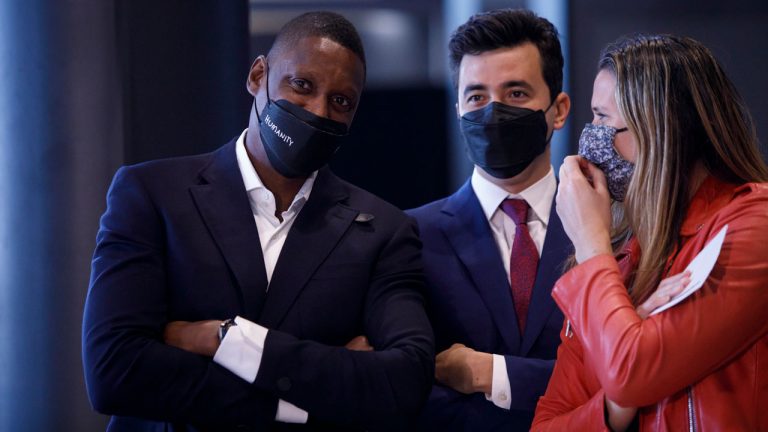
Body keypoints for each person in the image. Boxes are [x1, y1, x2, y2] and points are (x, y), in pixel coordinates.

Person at [82, 11, 434, 432]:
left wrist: (225, 339)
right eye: (302, 85)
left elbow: (404, 382)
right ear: (257, 76)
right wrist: (299, 405)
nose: (319, 110)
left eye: (341, 101)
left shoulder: (382, 229)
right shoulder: (151, 193)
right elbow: (114, 373)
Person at [532, 34, 768, 431]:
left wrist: (591, 241)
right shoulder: (623, 265)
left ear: (664, 130)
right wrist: (614, 404)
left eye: (604, 119)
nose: (591, 138)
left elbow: (630, 372)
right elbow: (547, 424)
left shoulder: (753, 226)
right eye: (592, 117)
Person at [407, 9, 572, 430]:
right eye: (477, 96)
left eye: (516, 93)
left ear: (558, 109)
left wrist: (486, 374)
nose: (493, 112)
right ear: (459, 107)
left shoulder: (613, 231)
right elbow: (404, 381)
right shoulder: (410, 236)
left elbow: (622, 376)